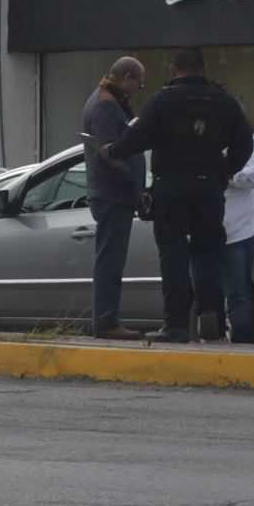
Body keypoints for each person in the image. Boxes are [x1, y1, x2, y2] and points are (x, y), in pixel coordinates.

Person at [138, 47, 254, 345]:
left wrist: (111, 151)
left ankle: (176, 326)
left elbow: (135, 139)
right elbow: (245, 143)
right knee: (207, 254)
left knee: (173, 256)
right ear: (202, 68)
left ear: (174, 68)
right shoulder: (223, 102)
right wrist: (224, 172)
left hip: (170, 189)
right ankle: (211, 318)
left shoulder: (161, 101)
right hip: (208, 190)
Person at [79, 58, 151, 343]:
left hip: (112, 193)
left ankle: (107, 319)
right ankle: (107, 322)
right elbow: (110, 153)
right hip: (113, 194)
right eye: (139, 83)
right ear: (128, 77)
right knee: (110, 261)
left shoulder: (103, 99)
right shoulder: (106, 105)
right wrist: (136, 190)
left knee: (110, 258)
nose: (138, 89)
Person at [221, 133, 254, 343]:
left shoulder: (243, 140)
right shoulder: (191, 134)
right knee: (204, 293)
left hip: (238, 231)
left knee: (239, 293)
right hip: (200, 230)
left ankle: (240, 345)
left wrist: (229, 176)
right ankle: (208, 340)